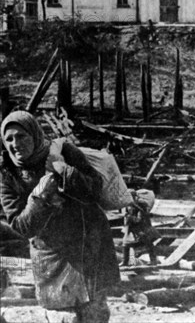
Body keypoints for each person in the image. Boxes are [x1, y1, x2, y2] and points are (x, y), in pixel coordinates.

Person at [0, 111, 120, 323]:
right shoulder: (7, 173)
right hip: (51, 255)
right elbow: (20, 225)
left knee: (95, 312)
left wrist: (64, 170)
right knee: (61, 316)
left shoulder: (63, 151)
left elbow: (94, 189)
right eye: (9, 138)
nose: (15, 144)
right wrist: (40, 197)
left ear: (35, 134)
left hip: (88, 245)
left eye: (21, 136)